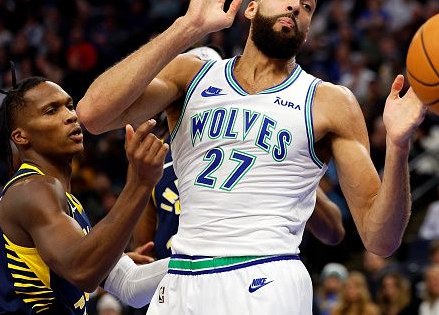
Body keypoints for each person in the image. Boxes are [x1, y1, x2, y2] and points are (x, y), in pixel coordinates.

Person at [77, 0, 425, 314]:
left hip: (266, 276)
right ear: (251, 9)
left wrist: (399, 146)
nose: (296, 5)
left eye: (308, 5)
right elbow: (93, 114)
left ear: (308, 31)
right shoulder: (191, 74)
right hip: (182, 276)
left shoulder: (329, 101)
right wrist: (188, 26)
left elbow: (380, 239)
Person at [132, 46, 345, 259]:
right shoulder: (153, 151)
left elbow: (334, 232)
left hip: (250, 267)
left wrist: (296, 178)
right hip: (178, 275)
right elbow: (143, 248)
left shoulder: (259, 141)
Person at [0, 72, 170, 314]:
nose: (70, 116)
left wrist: (216, 257)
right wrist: (140, 184)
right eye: (51, 111)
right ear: (21, 136)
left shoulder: (67, 201)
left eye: (69, 106)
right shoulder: (32, 190)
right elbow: (82, 270)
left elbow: (131, 286)